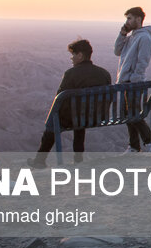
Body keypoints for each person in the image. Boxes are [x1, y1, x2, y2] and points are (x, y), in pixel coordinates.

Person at [27, 40, 112, 168]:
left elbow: (60, 98)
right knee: (80, 117)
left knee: (53, 122)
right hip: (97, 118)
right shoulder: (104, 73)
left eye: (73, 54)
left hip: (77, 118)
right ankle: (78, 159)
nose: (71, 58)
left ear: (80, 55)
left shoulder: (71, 74)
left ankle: (39, 160)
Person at [114, 6, 151, 153]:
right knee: (128, 115)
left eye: (130, 18)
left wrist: (134, 79)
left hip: (134, 83)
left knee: (134, 114)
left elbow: (143, 61)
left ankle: (149, 143)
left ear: (139, 19)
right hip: (126, 82)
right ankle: (134, 146)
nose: (127, 21)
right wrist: (122, 34)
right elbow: (117, 51)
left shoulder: (144, 37)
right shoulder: (131, 37)